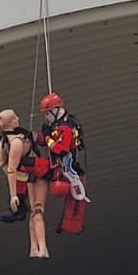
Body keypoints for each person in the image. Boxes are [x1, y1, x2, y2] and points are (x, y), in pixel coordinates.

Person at [0, 108, 52, 258]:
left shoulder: (3, 141)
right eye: (14, 117)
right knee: (38, 210)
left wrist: (20, 177)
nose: (18, 118)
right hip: (38, 176)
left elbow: (2, 163)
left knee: (32, 211)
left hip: (27, 178)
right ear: (10, 123)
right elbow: (11, 169)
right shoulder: (17, 141)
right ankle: (43, 248)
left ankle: (33, 248)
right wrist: (13, 194)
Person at [38, 92, 88, 236]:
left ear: (55, 110)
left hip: (65, 167)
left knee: (33, 166)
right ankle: (69, 224)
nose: (46, 116)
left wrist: (47, 137)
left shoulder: (65, 128)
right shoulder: (61, 124)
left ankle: (72, 225)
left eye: (47, 113)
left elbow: (61, 149)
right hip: (60, 166)